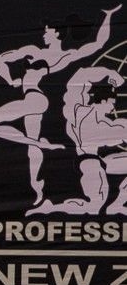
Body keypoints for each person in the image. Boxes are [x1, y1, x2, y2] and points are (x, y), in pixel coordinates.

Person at [0, 5, 121, 205]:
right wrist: (10, 80)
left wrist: (108, 16)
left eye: (47, 31)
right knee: (32, 148)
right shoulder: (60, 56)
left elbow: (98, 44)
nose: (44, 35)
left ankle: (40, 145)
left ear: (57, 33)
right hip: (36, 99)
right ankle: (37, 189)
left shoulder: (41, 52)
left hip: (34, 99)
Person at [29, 66, 127, 215]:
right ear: (103, 101)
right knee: (94, 206)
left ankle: (118, 203)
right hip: (90, 163)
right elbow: (79, 79)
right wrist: (108, 72)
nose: (112, 108)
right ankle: (51, 208)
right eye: (111, 104)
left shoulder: (105, 123)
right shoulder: (79, 113)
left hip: (101, 161)